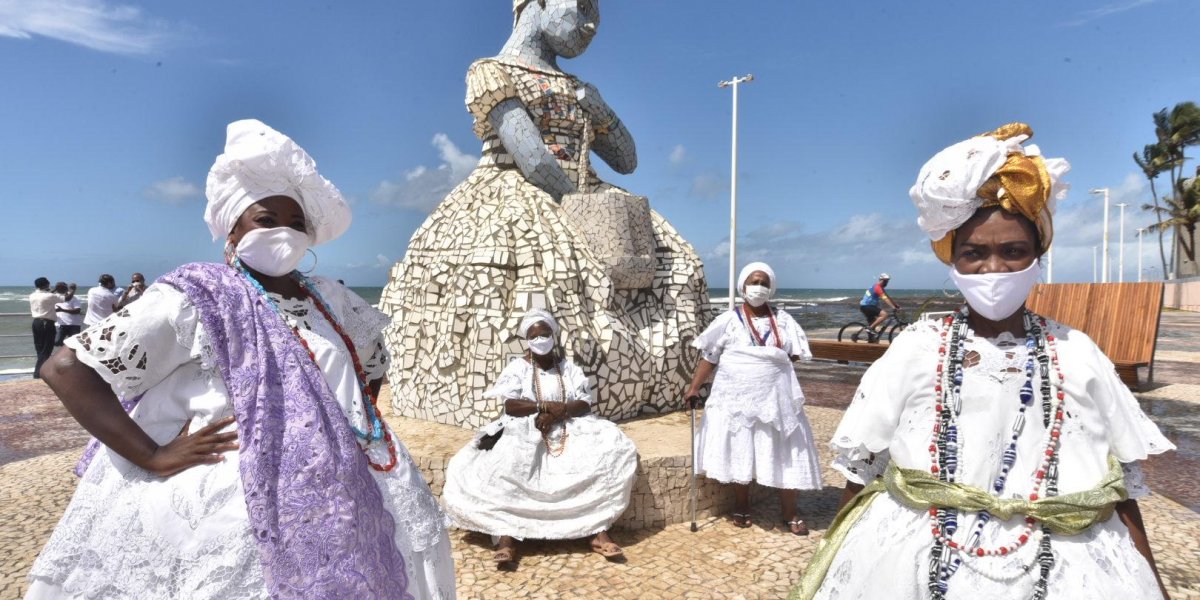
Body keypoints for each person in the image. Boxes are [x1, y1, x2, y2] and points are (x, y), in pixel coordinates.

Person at [27, 119, 456, 599]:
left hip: (349, 491)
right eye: (266, 220)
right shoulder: (196, 296)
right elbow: (64, 369)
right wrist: (153, 455)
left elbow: (369, 370)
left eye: (298, 224)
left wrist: (342, 428)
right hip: (232, 503)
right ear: (233, 229)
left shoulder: (332, 299)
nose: (286, 233)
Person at [794, 123, 1175, 600]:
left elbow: (1119, 488)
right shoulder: (917, 347)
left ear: (1038, 254)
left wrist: (1153, 579)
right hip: (916, 558)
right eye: (974, 253)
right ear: (952, 259)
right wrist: (834, 556)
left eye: (1013, 251)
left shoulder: (1077, 353)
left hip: (1064, 566)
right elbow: (862, 471)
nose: (993, 268)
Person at [441, 308, 638, 566]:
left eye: (545, 334)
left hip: (568, 423)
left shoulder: (569, 368)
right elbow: (511, 405)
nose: (540, 340)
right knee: (508, 464)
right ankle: (506, 539)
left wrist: (559, 412)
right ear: (526, 340)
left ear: (554, 336)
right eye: (534, 336)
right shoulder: (518, 368)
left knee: (600, 456)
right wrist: (543, 408)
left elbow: (584, 403)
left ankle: (598, 533)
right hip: (525, 425)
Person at [683, 262, 823, 535]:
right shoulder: (727, 320)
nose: (758, 287)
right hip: (736, 397)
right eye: (753, 281)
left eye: (763, 283)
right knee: (741, 446)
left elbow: (793, 353)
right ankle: (742, 504)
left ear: (771, 288)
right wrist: (694, 387)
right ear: (742, 286)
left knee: (788, 448)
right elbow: (709, 357)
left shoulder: (783, 320)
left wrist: (768, 365)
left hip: (775, 397)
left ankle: (790, 512)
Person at [28, 277, 58, 379]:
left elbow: (47, 296)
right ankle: (38, 373)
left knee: (39, 348)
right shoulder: (49, 296)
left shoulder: (32, 295)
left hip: (36, 323)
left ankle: (42, 371)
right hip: (47, 324)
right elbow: (66, 299)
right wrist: (72, 289)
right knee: (47, 348)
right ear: (46, 285)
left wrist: (54, 290)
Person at [53, 282, 83, 346]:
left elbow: (77, 310)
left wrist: (62, 310)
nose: (60, 289)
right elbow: (46, 295)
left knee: (74, 344)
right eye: (59, 288)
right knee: (57, 342)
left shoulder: (74, 298)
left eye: (62, 288)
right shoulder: (54, 297)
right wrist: (55, 289)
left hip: (74, 325)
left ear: (66, 289)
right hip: (60, 324)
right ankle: (64, 351)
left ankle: (67, 352)